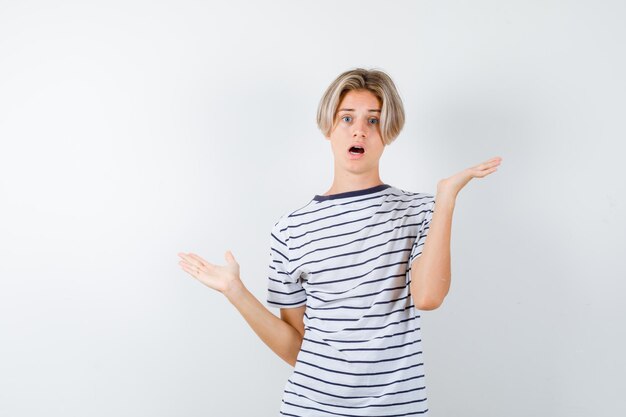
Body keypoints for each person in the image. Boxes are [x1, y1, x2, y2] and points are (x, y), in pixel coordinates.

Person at [178, 67, 502, 416]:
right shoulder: (292, 229)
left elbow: (428, 297)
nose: (359, 129)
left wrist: (446, 197)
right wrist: (236, 292)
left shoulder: (421, 210)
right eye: (347, 118)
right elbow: (295, 347)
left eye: (374, 120)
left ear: (388, 132)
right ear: (329, 128)